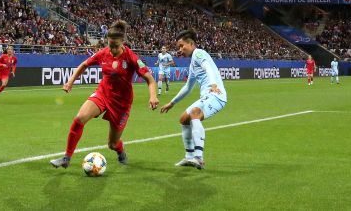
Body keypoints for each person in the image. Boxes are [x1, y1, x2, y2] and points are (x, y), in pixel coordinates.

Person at [50, 20, 158, 169]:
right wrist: (70, 82)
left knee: (112, 144)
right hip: (103, 94)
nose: (112, 49)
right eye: (110, 45)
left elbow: (150, 80)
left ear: (123, 43)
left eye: (116, 46)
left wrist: (153, 96)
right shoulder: (103, 53)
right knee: (80, 118)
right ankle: (66, 158)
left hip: (121, 103)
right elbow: (84, 65)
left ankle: (120, 151)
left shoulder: (132, 58)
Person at [160, 29, 227, 170]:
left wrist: (214, 84)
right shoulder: (192, 63)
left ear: (191, 43)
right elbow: (188, 87)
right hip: (207, 96)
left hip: (217, 95)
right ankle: (189, 157)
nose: (180, 49)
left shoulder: (199, 53)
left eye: (181, 45)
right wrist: (172, 103)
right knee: (184, 118)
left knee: (195, 113)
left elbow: (208, 67)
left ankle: (198, 157)